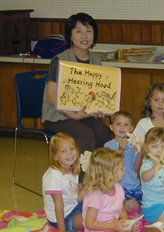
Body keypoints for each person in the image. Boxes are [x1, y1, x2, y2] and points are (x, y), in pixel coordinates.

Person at [82, 148, 164, 232]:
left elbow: (119, 208)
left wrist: (128, 222)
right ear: (108, 173)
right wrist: (113, 226)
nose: (125, 169)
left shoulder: (118, 188)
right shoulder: (96, 195)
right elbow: (90, 224)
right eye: (121, 168)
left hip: (113, 227)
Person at [42, 12, 111, 154]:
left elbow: (96, 93)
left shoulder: (96, 60)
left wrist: (98, 109)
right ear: (70, 35)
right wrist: (72, 115)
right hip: (59, 116)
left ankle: (100, 173)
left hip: (84, 114)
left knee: (103, 131)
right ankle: (81, 175)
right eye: (78, 31)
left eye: (89, 31)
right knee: (85, 134)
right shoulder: (60, 60)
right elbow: (51, 96)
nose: (84, 36)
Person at [42, 132, 86, 232]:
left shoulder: (70, 169)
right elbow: (59, 205)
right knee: (90, 220)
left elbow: (74, 193)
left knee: (98, 203)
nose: (69, 153)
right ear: (55, 156)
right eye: (63, 151)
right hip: (63, 218)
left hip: (73, 207)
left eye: (72, 148)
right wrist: (61, 230)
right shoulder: (53, 176)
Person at [104, 111, 143, 212]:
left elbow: (136, 168)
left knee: (148, 204)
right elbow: (111, 168)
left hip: (135, 185)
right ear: (111, 127)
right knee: (131, 206)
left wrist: (140, 153)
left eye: (126, 125)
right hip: (118, 186)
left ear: (131, 129)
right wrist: (121, 151)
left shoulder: (134, 145)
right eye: (118, 124)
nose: (122, 127)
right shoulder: (108, 146)